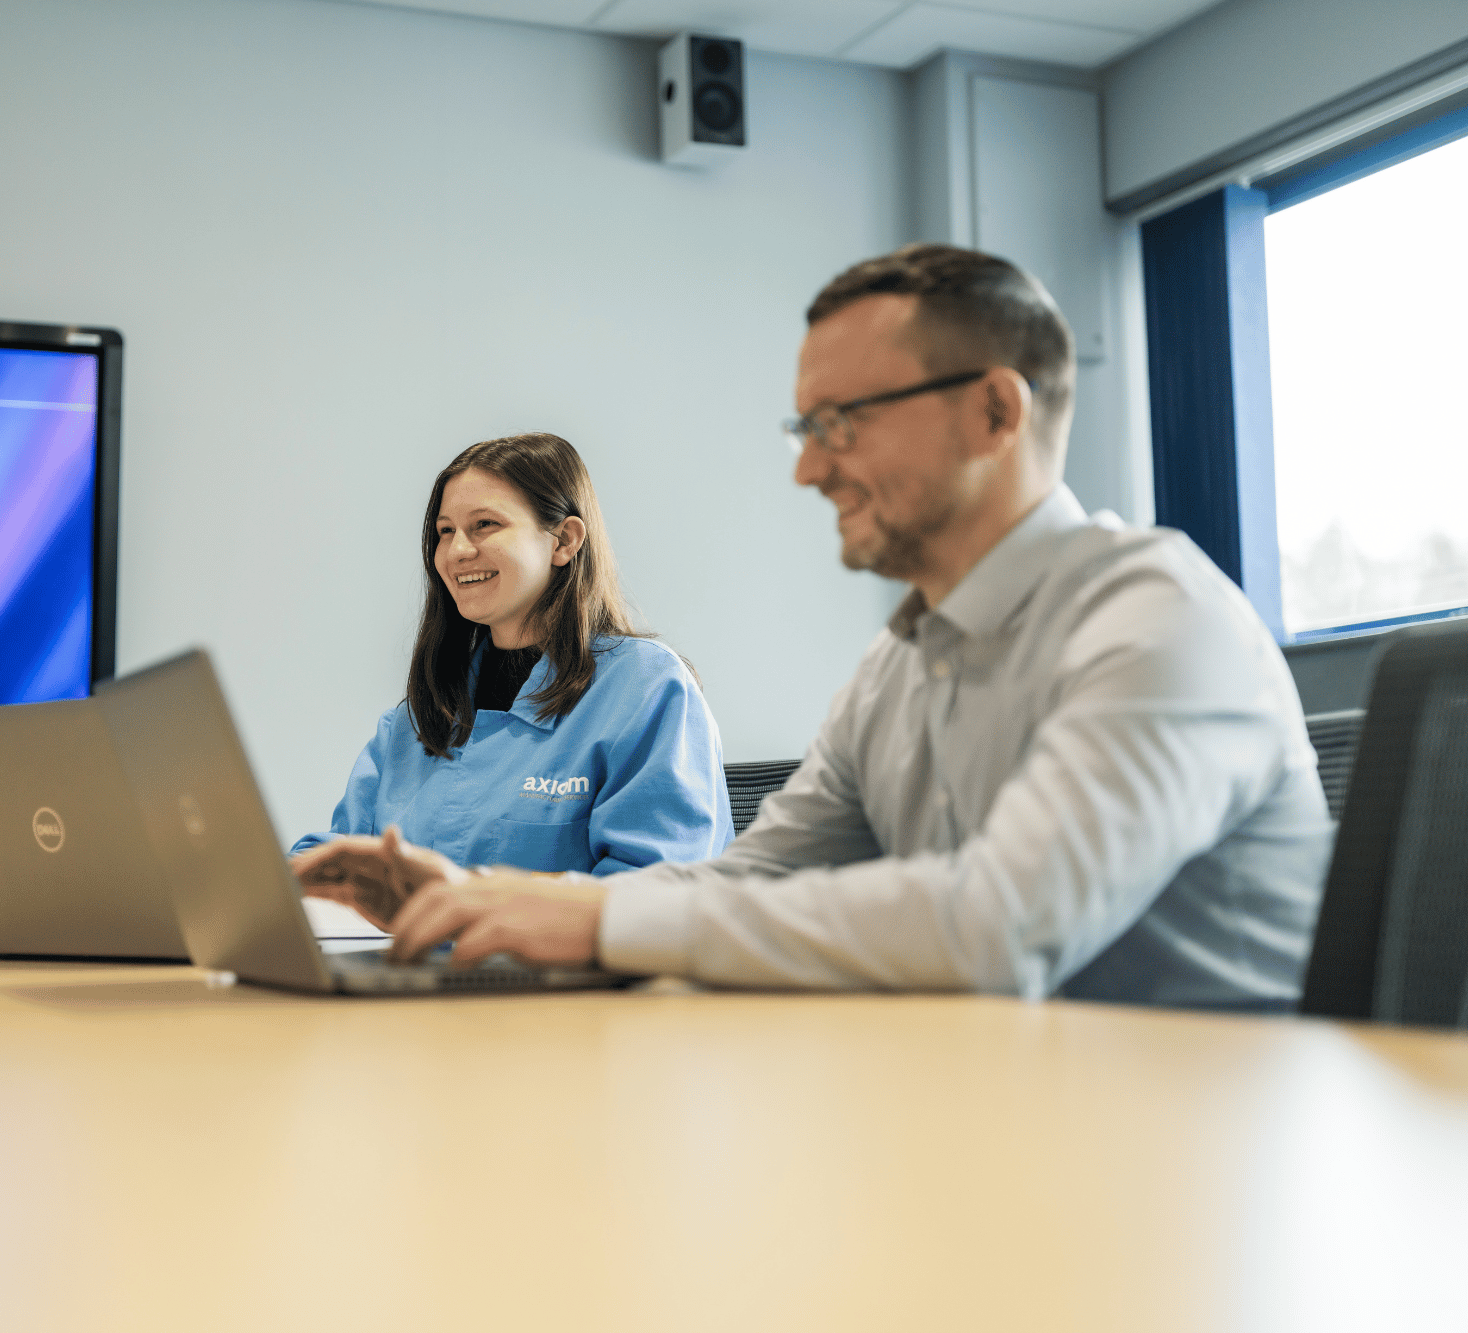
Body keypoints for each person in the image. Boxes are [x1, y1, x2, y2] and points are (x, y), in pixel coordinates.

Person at [306, 245, 1333, 1010]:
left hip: (1209, 1158)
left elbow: (996, 927)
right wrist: (494, 900)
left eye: (843, 421)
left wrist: (591, 913)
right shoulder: (901, 663)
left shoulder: (1157, 619)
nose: (807, 467)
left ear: (993, 413)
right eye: (805, 428)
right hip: (1012, 1115)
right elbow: (746, 879)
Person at [290, 432, 732, 925]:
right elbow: (341, 856)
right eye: (444, 531)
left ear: (563, 541)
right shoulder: (419, 716)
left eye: (484, 525)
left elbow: (655, 897)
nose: (456, 551)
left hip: (564, 996)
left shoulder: (647, 689)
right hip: (411, 990)